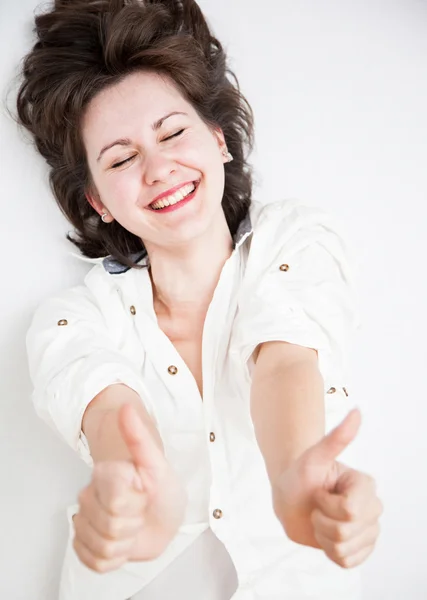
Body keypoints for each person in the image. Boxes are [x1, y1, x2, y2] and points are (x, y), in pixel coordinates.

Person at [15, 1, 383, 599]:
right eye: (122, 157)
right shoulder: (73, 319)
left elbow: (284, 358)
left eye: (173, 133)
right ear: (99, 200)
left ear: (218, 141)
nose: (158, 168)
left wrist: (292, 475)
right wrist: (138, 491)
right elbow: (108, 411)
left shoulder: (295, 241)